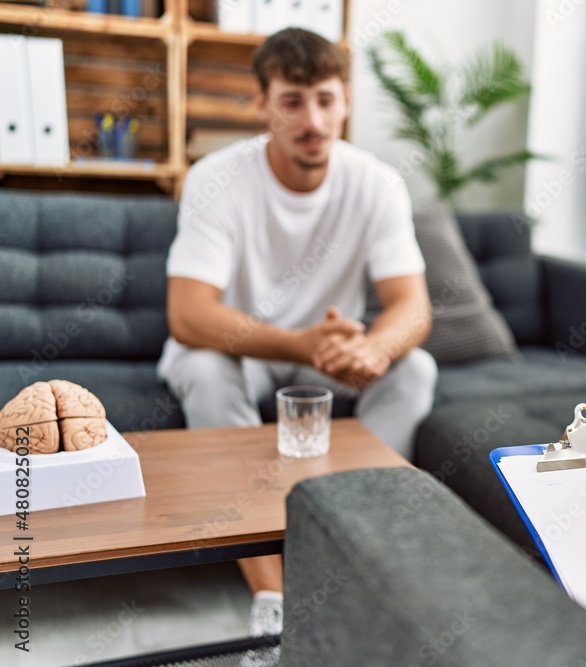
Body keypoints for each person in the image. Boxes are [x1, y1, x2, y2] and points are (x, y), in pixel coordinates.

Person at [156, 27, 437, 653]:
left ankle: (351, 552)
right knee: (202, 369)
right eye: (292, 102)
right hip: (248, 356)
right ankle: (274, 599)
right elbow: (189, 315)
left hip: (325, 358)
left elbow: (412, 307)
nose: (313, 121)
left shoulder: (376, 183)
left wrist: (374, 349)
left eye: (326, 100)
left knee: (415, 370)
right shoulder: (216, 178)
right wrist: (301, 344)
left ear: (345, 101)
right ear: (262, 104)